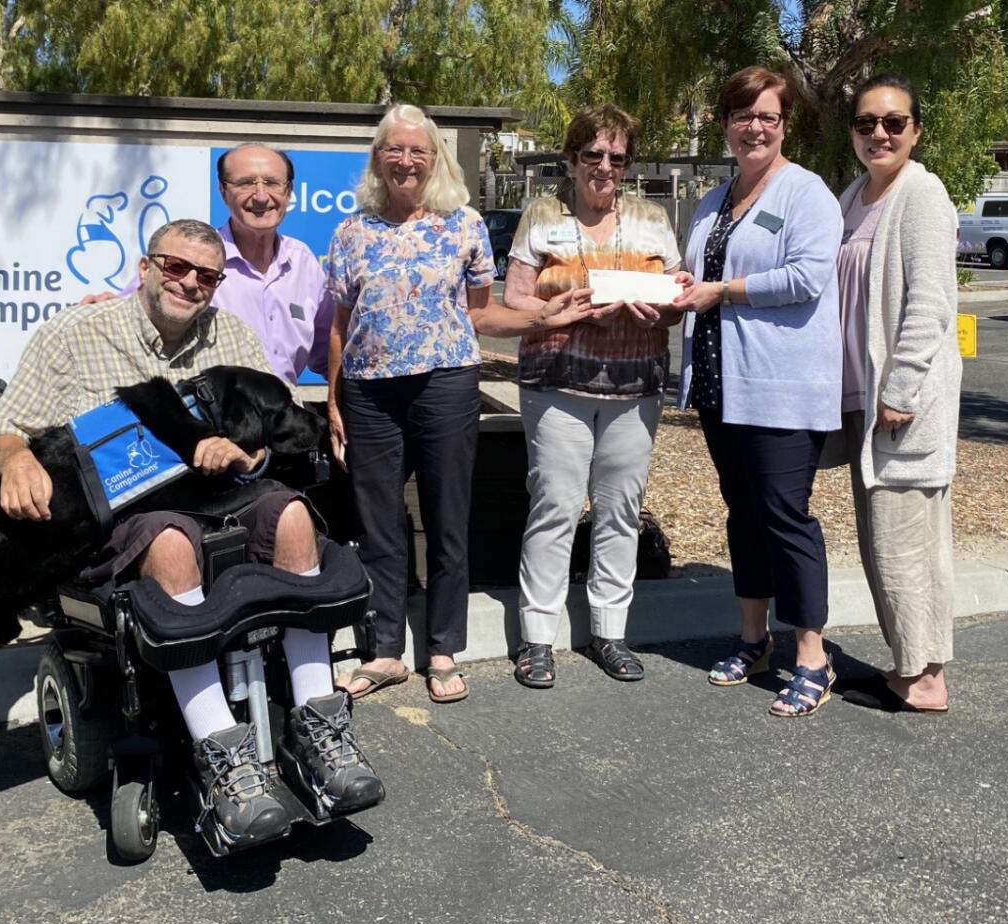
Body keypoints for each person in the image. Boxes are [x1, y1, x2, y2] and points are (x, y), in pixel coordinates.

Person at [0, 219, 382, 846]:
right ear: (146, 267)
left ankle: (320, 728)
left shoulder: (230, 334)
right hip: (125, 514)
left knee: (294, 515)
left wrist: (243, 447)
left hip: (221, 497)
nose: (191, 284)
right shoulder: (75, 332)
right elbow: (10, 423)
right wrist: (15, 461)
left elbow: (277, 420)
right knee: (171, 539)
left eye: (207, 275)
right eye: (176, 267)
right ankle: (222, 755)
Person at [326, 103, 593, 704]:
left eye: (417, 150)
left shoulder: (464, 225)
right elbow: (340, 325)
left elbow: (479, 313)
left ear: (435, 159)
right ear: (378, 159)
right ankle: (385, 651)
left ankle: (444, 647)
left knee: (447, 519)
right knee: (379, 524)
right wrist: (335, 401)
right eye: (394, 149)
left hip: (447, 384)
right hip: (369, 392)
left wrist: (541, 315)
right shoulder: (352, 232)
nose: (405, 160)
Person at [673, 67, 843, 717]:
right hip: (723, 385)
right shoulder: (714, 201)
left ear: (784, 124)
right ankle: (753, 640)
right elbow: (704, 274)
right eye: (743, 116)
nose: (755, 127)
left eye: (768, 116)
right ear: (725, 124)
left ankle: (812, 655)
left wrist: (723, 291)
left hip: (782, 387)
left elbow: (806, 277)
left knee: (784, 517)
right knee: (743, 514)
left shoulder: (807, 195)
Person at [503, 103, 683, 688]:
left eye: (616, 157)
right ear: (572, 158)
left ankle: (609, 629)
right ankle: (537, 638)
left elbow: (677, 305)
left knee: (619, 510)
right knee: (554, 505)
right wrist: (558, 309)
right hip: (558, 382)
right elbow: (516, 301)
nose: (604, 166)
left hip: (635, 386)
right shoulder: (541, 214)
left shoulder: (652, 217)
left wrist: (662, 305)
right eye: (592, 155)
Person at [829, 75, 961, 715]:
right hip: (864, 401)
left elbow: (931, 305)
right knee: (882, 536)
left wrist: (902, 389)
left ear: (915, 129)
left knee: (905, 539)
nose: (878, 133)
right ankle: (908, 665)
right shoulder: (856, 195)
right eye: (865, 123)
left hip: (900, 407)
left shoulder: (922, 195)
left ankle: (923, 678)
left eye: (893, 122)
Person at [88, 143, 332, 386]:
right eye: (245, 183)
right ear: (223, 192)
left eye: (271, 183)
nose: (260, 196)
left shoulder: (303, 263)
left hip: (281, 416)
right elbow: (132, 316)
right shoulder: (195, 260)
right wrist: (105, 308)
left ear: (288, 191)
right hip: (208, 416)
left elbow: (328, 355)